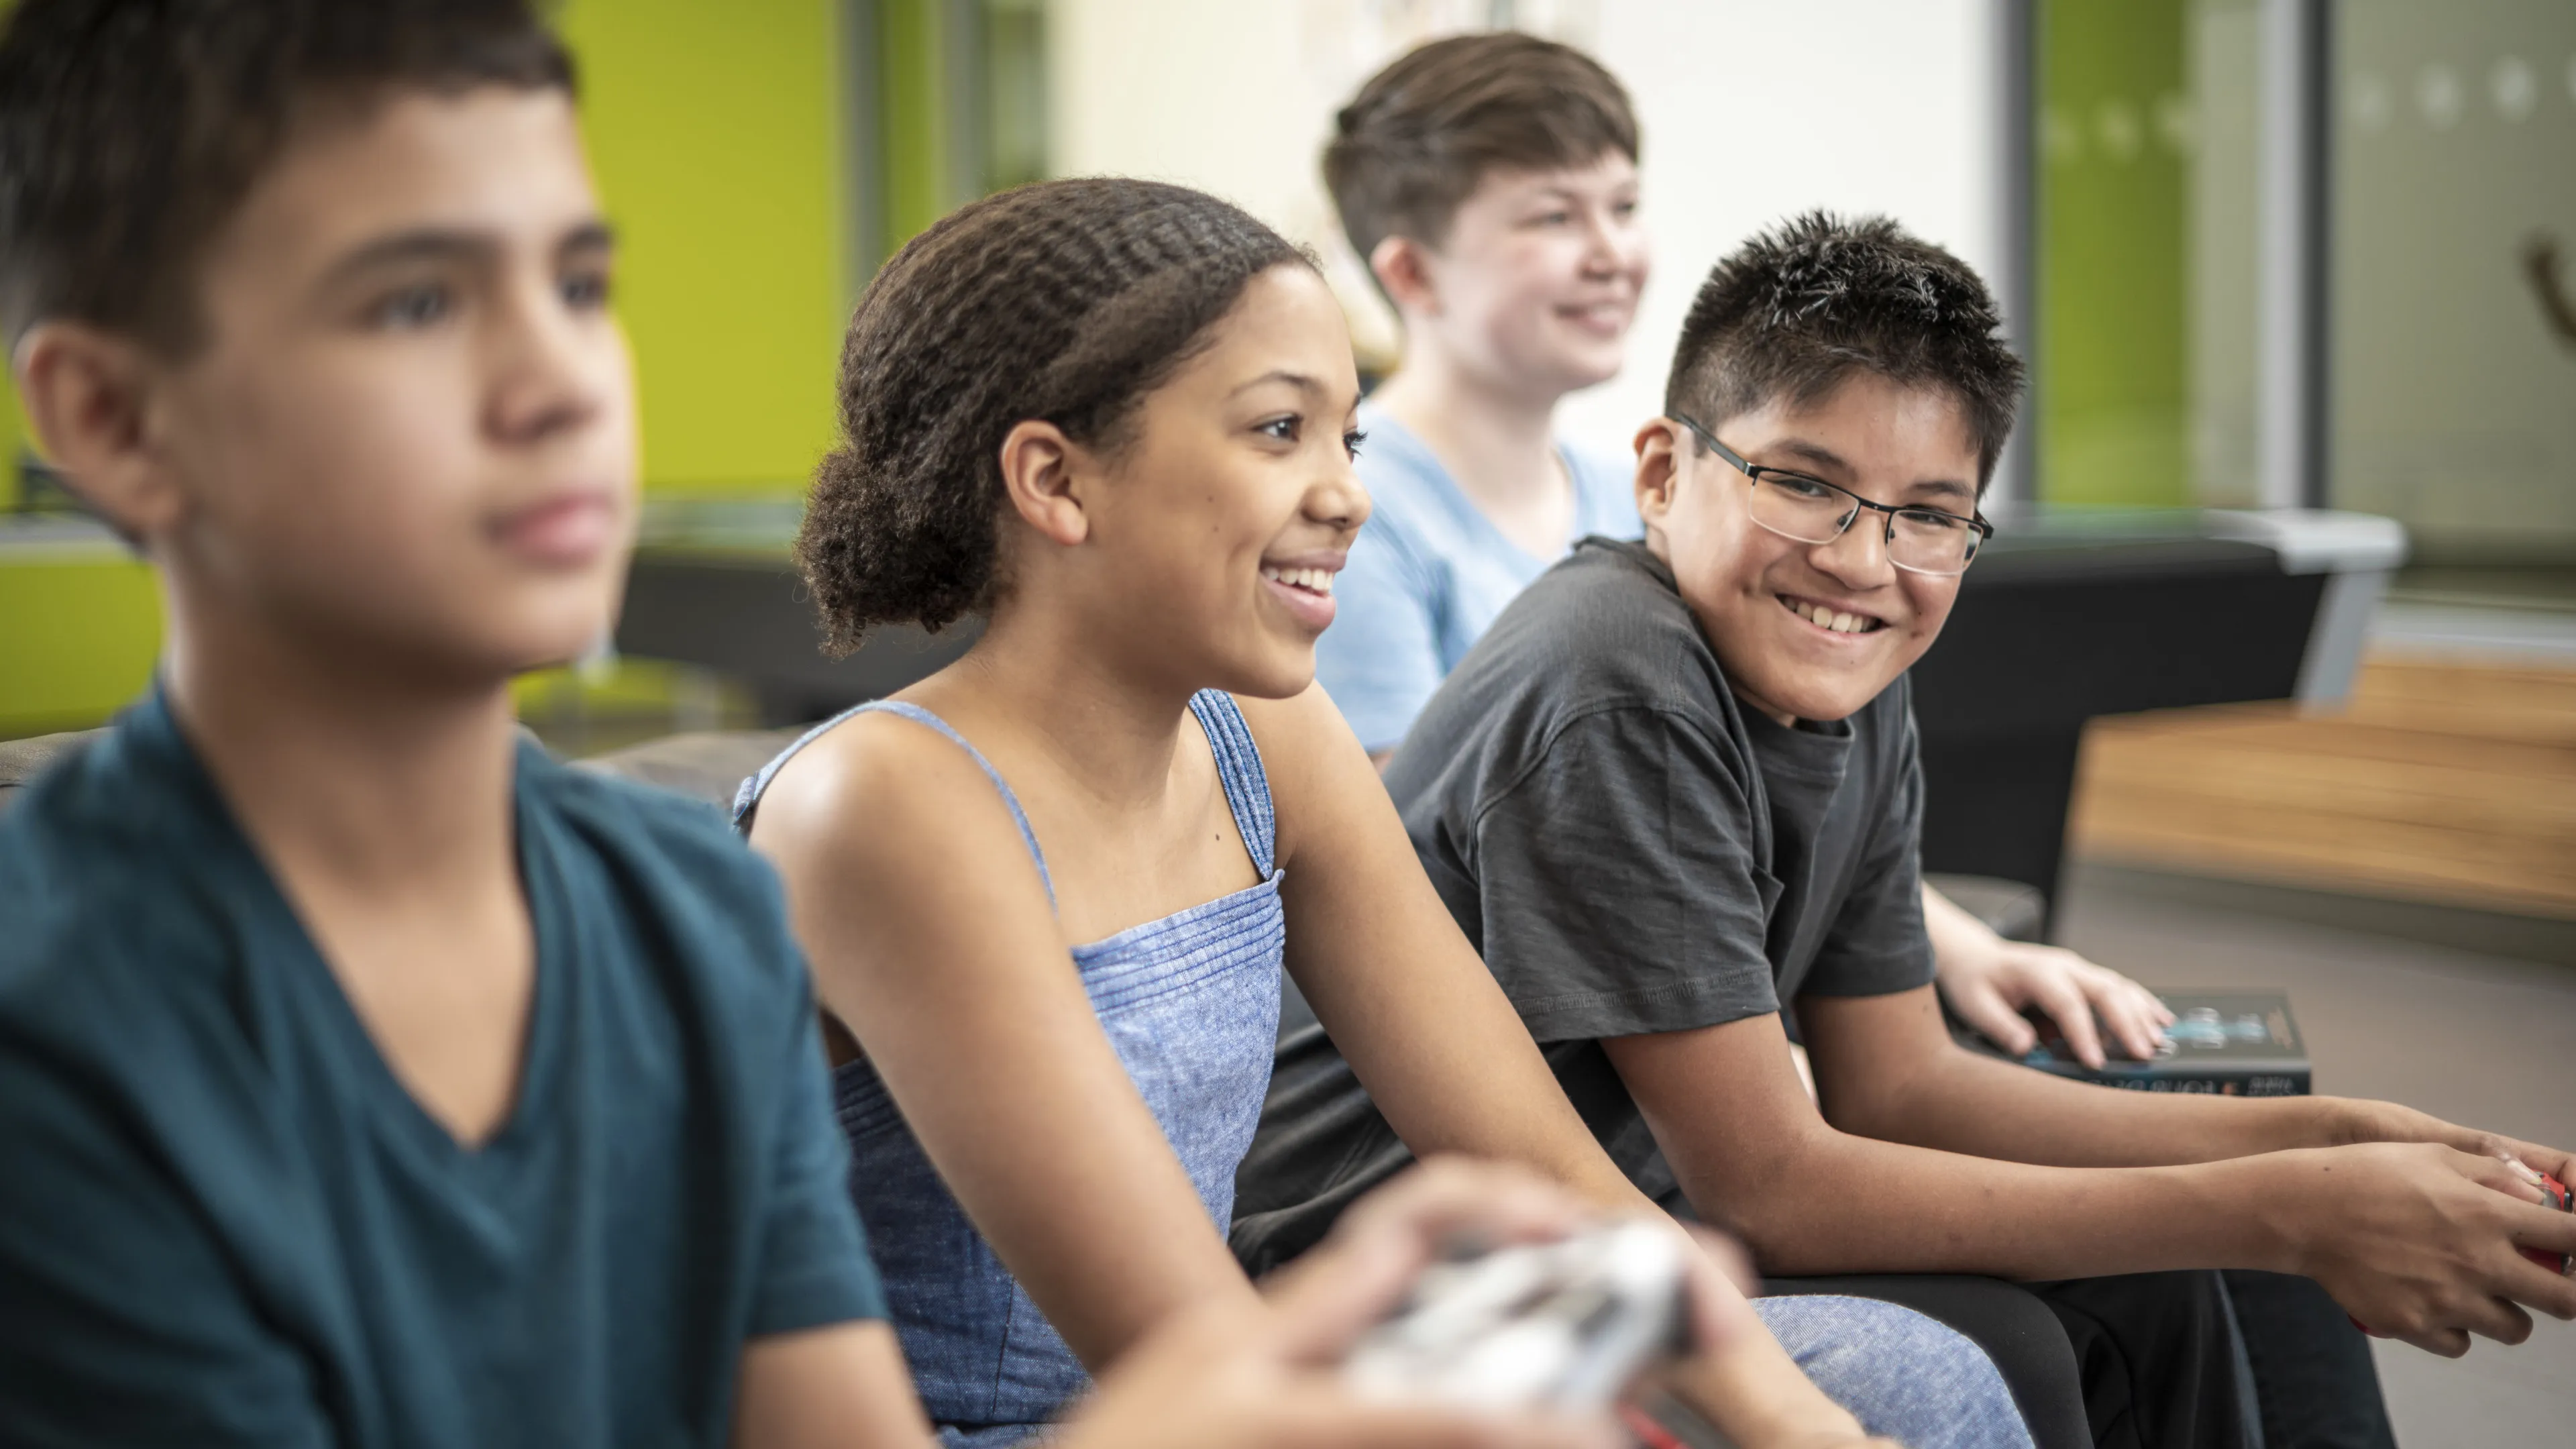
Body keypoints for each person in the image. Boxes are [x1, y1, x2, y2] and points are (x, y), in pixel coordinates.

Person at [0, 7, 1674, 1448]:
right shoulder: (63, 1008)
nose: (564, 383)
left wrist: (1332, 1362)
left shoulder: (677, 909)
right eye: (416, 305)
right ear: (111, 419)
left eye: (579, 285)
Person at [1236, 211, 2576, 1449]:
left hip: (1645, 1212)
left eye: (1929, 516)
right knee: (2018, 1345)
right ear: (1658, 472)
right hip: (1409, 1269)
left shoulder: (1851, 667)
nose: (1863, 562)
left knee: (2194, 1266)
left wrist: (2339, 1143)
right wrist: (2294, 1207)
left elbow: (1901, 1086)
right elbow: (1768, 1182)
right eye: (1803, 484)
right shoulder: (1612, 675)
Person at [738, 175, 2027, 1448]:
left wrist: (1797, 1423)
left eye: (1347, 439)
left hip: (1239, 1367)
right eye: (1275, 432)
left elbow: (1555, 1176)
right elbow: (1192, 1364)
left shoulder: (1267, 738)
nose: (1350, 495)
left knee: (1911, 1381)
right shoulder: (886, 806)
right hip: (1121, 1413)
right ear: (1057, 482)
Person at [1312, 32, 2169, 1078]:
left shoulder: (1611, 487)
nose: (1610, 252)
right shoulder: (1359, 517)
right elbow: (1408, 865)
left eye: (1622, 208)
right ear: (1411, 270)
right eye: (1553, 217)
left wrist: (1954, 947)